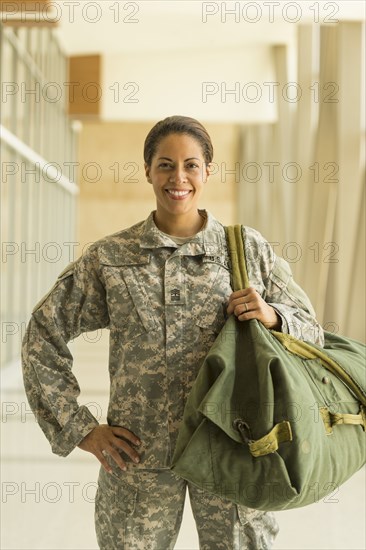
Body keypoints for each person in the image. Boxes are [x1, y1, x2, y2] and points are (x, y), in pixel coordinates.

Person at [22, 115, 324, 550]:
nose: (177, 177)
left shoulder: (246, 250)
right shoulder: (112, 258)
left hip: (233, 451)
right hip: (138, 461)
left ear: (207, 172)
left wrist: (273, 315)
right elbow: (42, 332)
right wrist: (80, 427)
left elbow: (312, 330)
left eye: (191, 165)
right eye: (165, 164)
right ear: (147, 170)